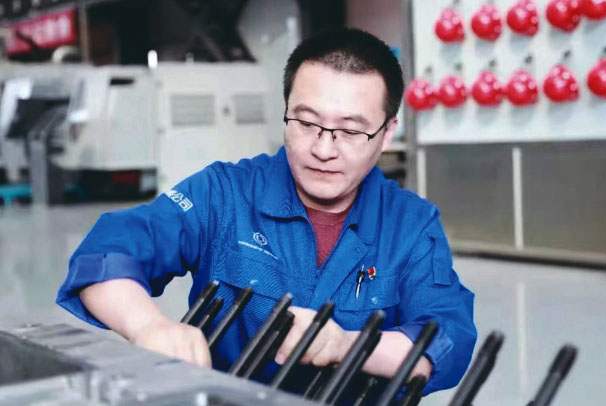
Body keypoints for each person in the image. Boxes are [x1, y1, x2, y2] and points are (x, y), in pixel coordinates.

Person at [57, 28, 476, 399]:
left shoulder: (411, 225)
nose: (323, 149)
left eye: (350, 131)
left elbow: (448, 340)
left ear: (386, 134)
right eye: (306, 122)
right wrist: (149, 326)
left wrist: (346, 346)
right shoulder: (224, 193)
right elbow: (107, 253)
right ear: (285, 112)